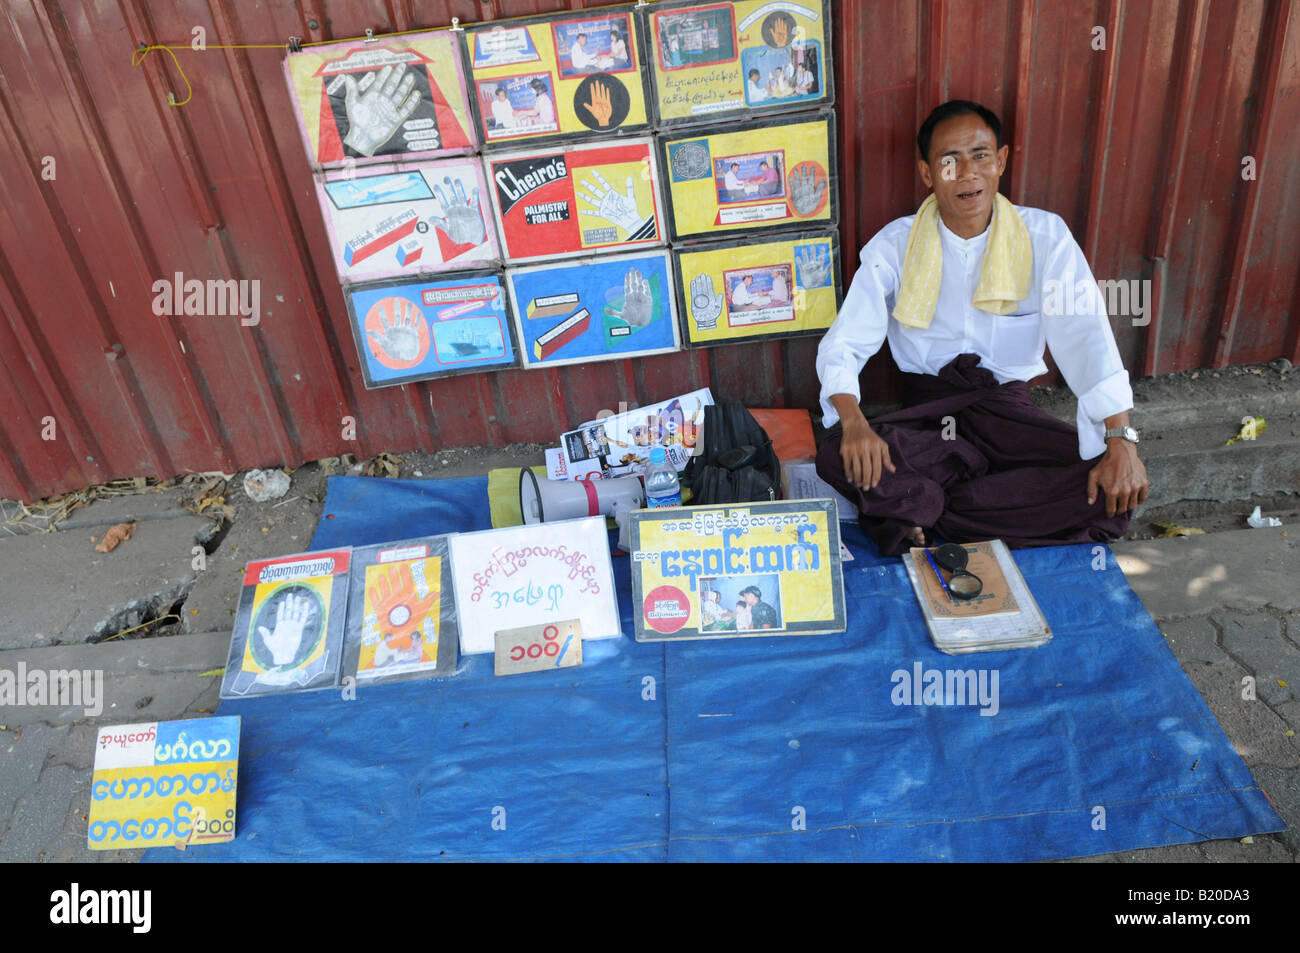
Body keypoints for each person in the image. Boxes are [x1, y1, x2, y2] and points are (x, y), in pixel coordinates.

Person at [814, 100, 1149, 557]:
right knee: (837, 455)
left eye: (980, 155)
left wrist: (1120, 440)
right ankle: (964, 507)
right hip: (930, 421)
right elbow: (846, 343)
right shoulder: (895, 246)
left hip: (1007, 416)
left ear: (1002, 161)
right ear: (928, 174)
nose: (967, 172)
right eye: (949, 161)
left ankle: (924, 512)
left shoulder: (1045, 238)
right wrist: (853, 423)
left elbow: (1087, 337)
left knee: (1106, 489)